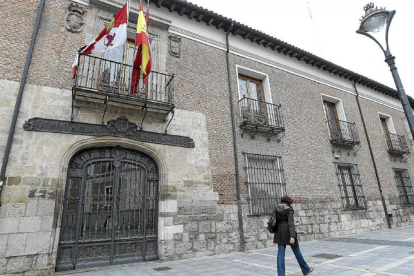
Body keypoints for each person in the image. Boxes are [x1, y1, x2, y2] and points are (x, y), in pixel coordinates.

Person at [274, 196, 314, 276]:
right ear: (289, 202)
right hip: (288, 232)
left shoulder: (277, 209)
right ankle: (306, 269)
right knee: (296, 250)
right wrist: (292, 236)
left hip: (279, 232)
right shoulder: (289, 209)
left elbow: (274, 221)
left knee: (280, 253)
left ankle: (281, 274)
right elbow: (291, 224)